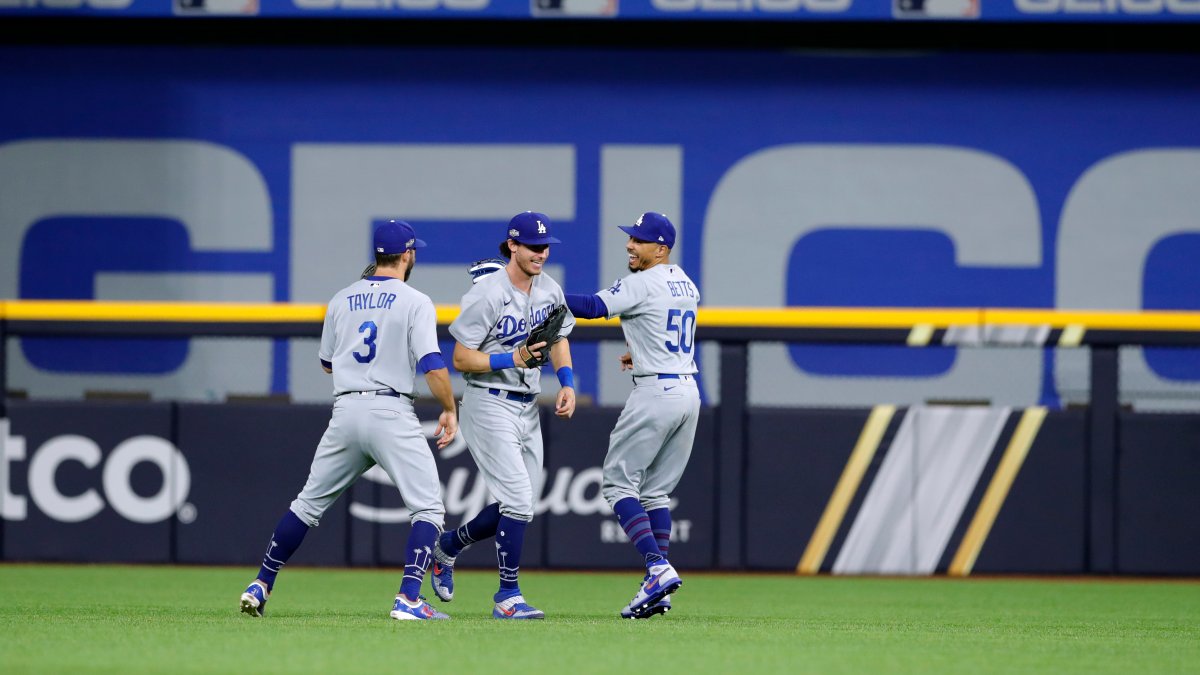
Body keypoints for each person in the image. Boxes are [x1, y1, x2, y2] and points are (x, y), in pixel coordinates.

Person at [239, 219, 458, 621]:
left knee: (306, 505)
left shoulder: (340, 299)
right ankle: (409, 597)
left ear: (376, 256)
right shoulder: (416, 300)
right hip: (390, 409)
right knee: (428, 510)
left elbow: (326, 364)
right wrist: (449, 407)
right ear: (407, 254)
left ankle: (261, 583)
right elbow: (432, 364)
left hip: (345, 410)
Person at [428, 211, 576, 620]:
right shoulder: (488, 293)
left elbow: (559, 337)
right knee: (518, 501)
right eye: (532, 246)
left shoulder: (550, 289)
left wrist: (566, 382)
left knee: (521, 503)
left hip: (528, 404)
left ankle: (449, 546)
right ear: (512, 245)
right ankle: (507, 596)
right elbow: (459, 357)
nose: (540, 254)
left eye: (545, 247)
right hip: (487, 400)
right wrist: (509, 357)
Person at [564, 212, 699, 619]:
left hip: (656, 392)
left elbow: (590, 308)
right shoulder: (686, 283)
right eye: (630, 238)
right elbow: (663, 324)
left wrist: (541, 291)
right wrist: (640, 350)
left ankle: (658, 568)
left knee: (617, 485)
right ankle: (657, 586)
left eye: (639, 240)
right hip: (687, 390)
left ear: (661, 249)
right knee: (655, 493)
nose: (630, 245)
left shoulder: (643, 281)